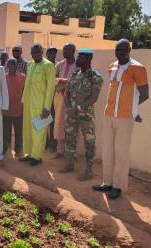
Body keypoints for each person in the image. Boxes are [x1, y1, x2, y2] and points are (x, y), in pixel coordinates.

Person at [93, 39, 149, 199]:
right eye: (117, 50)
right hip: (108, 114)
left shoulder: (137, 68)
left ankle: (117, 186)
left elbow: (145, 94)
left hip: (125, 118)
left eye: (123, 50)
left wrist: (133, 110)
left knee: (121, 152)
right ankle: (107, 182)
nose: (119, 53)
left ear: (129, 50)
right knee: (107, 150)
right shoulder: (112, 66)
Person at [59, 49, 103, 181]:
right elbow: (66, 93)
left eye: (80, 57)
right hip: (71, 114)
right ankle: (69, 164)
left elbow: (93, 98)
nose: (77, 59)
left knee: (89, 142)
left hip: (85, 116)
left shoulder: (96, 77)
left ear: (88, 59)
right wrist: (68, 108)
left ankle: (88, 170)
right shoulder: (74, 74)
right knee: (70, 139)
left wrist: (77, 108)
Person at [19, 44, 55, 166]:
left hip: (40, 105)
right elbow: (27, 84)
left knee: (39, 130)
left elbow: (50, 88)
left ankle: (37, 157)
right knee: (28, 129)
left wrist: (47, 108)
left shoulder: (48, 65)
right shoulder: (30, 64)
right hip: (28, 103)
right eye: (33, 52)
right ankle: (29, 153)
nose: (35, 54)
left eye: (37, 52)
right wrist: (23, 101)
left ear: (42, 52)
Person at [53, 44, 77, 159]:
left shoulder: (78, 65)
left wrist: (63, 81)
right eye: (64, 49)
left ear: (73, 51)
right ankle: (60, 150)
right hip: (60, 98)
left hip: (73, 100)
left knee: (71, 125)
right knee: (59, 124)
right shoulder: (60, 64)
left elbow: (77, 81)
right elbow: (53, 79)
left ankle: (71, 152)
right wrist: (61, 82)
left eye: (67, 50)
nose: (64, 52)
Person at [3, 58, 25, 157]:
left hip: (18, 110)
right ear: (7, 66)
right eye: (9, 65)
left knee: (18, 132)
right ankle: (6, 148)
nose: (11, 67)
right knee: (6, 132)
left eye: (13, 65)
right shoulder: (3, 77)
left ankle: (18, 150)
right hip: (6, 110)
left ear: (17, 66)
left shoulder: (23, 77)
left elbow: (25, 92)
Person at [45, 47, 58, 152]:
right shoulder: (43, 65)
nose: (53, 55)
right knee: (43, 122)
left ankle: (53, 145)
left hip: (54, 99)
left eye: (54, 53)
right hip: (44, 99)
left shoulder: (57, 66)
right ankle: (44, 143)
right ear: (47, 54)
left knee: (53, 122)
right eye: (51, 53)